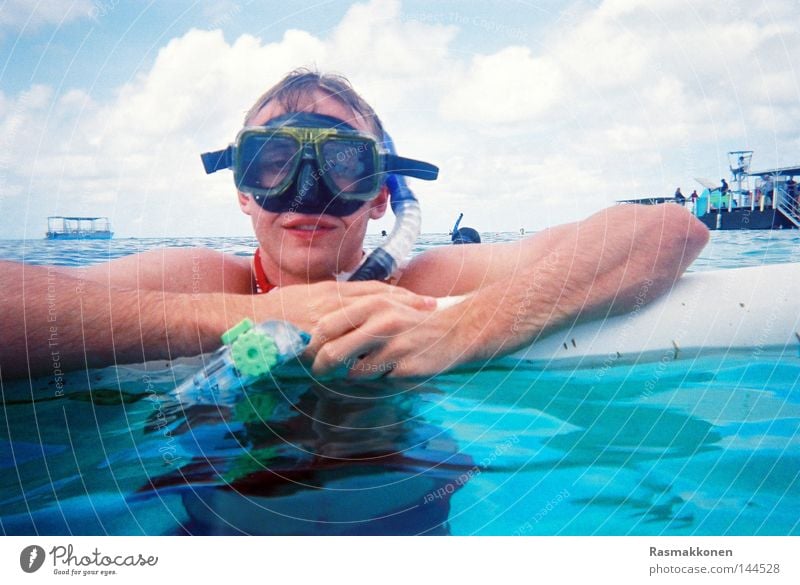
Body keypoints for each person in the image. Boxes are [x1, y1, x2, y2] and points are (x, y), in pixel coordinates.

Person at [0, 69, 709, 381]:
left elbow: (668, 230)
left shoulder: (422, 286)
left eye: (342, 165)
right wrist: (257, 314)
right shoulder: (199, 281)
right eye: (273, 162)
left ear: (380, 198)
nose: (305, 193)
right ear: (243, 193)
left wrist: (461, 329)